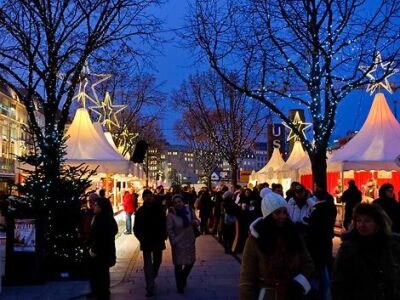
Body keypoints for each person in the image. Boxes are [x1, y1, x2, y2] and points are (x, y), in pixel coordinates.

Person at [240, 192, 314, 300]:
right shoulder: (255, 240)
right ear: (269, 215)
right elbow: (247, 277)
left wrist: (299, 282)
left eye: (285, 212)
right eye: (277, 213)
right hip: (267, 295)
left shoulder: (294, 235)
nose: (282, 216)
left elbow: (308, 264)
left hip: (293, 294)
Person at [331, 203, 400, 300]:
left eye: (367, 221)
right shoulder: (348, 249)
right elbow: (338, 283)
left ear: (378, 224)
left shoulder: (392, 246)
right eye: (358, 221)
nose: (362, 225)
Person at [133, 189, 167, 297]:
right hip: (146, 241)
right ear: (143, 198)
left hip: (158, 240)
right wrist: (141, 238)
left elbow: (164, 223)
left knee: (158, 261)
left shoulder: (159, 209)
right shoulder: (140, 211)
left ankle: (153, 275)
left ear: (152, 197)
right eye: (146, 196)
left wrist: (163, 235)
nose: (148, 198)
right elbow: (136, 228)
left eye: (150, 196)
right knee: (147, 265)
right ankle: (150, 287)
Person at [304, 190, 337, 300]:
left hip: (316, 246)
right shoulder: (330, 208)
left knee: (318, 275)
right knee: (325, 271)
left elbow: (313, 229)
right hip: (326, 242)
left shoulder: (318, 210)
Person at [166, 194, 200, 294]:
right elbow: (169, 229)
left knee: (191, 262)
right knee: (178, 264)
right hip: (179, 242)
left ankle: (183, 277)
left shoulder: (189, 210)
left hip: (189, 240)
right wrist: (174, 240)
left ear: (182, 201)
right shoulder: (171, 215)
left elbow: (197, 220)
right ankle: (179, 286)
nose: (178, 204)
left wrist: (195, 222)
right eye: (175, 202)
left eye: (179, 201)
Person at [88, 197, 118, 300]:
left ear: (102, 207)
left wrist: (94, 250)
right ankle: (99, 293)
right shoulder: (99, 217)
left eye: (96, 205)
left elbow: (101, 238)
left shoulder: (104, 220)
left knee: (101, 276)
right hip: (102, 253)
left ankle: (101, 294)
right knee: (100, 275)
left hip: (101, 254)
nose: (93, 206)